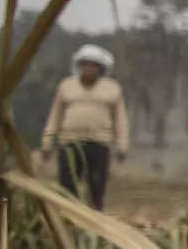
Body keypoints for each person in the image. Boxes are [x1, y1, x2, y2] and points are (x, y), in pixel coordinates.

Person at [40, 44, 130, 211]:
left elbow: (120, 120)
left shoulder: (112, 88)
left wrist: (122, 145)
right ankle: (68, 221)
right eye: (85, 64)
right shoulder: (66, 86)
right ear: (79, 66)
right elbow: (55, 115)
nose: (89, 68)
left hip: (99, 144)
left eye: (94, 65)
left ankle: (93, 225)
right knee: (67, 188)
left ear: (101, 68)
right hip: (69, 144)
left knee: (96, 188)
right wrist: (47, 141)